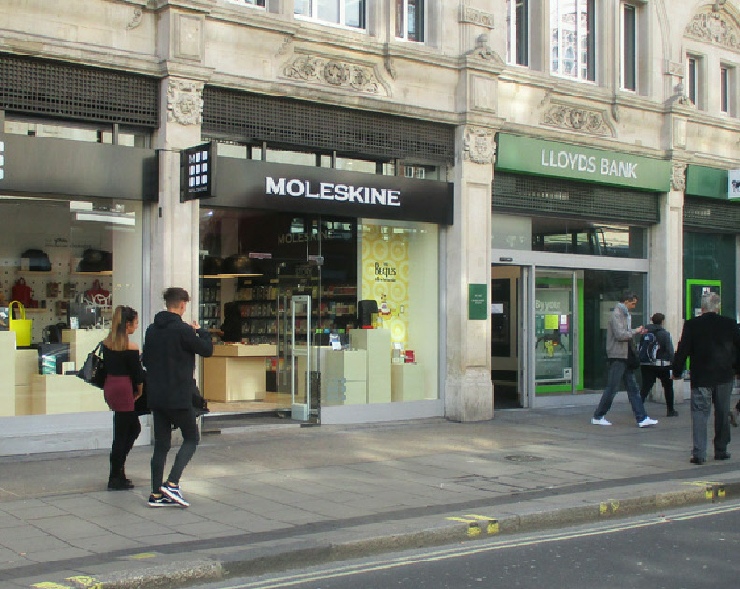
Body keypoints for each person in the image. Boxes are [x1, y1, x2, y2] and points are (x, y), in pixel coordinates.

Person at [142, 287, 213, 507]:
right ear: (182, 305)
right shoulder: (183, 330)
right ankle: (172, 482)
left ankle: (155, 494)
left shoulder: (152, 330)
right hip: (179, 395)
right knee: (192, 438)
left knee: (161, 444)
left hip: (157, 396)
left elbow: (146, 359)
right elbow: (206, 350)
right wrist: (201, 332)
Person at [671, 292, 740, 465]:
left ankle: (699, 453)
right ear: (718, 307)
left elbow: (683, 349)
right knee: (723, 413)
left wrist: (677, 371)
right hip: (724, 376)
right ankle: (721, 450)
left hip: (701, 377)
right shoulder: (729, 324)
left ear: (702, 308)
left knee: (700, 414)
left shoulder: (692, 325)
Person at [592, 292, 658, 428]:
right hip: (618, 355)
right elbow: (620, 335)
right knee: (613, 387)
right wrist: (636, 331)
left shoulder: (624, 314)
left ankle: (642, 418)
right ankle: (598, 415)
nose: (634, 306)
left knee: (633, 388)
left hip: (625, 355)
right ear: (626, 301)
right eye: (633, 303)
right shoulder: (617, 314)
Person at [102, 305, 145, 491]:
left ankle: (119, 471)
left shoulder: (107, 343)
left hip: (111, 385)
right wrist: (140, 390)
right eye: (135, 323)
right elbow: (137, 374)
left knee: (128, 428)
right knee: (125, 432)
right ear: (127, 325)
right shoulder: (130, 347)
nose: (136, 327)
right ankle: (115, 475)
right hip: (124, 387)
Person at [639, 313, 678, 417]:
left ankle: (637, 408)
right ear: (662, 321)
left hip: (646, 364)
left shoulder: (645, 332)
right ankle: (670, 410)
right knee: (668, 387)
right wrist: (674, 364)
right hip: (662, 365)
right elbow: (670, 350)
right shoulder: (664, 334)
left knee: (645, 387)